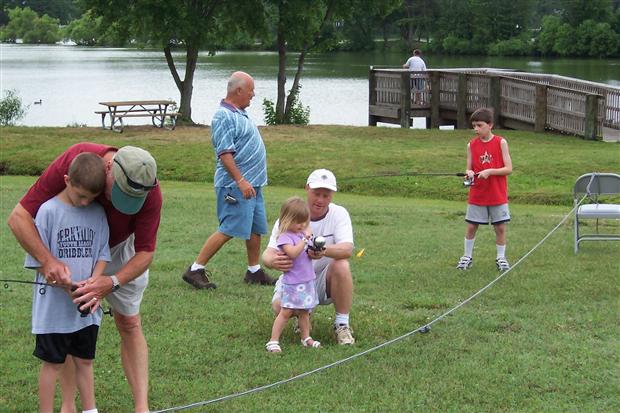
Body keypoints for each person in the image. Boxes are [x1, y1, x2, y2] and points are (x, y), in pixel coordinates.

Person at [8, 143, 162, 413]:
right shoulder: (78, 161)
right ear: (108, 169)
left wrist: (110, 281)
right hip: (73, 249)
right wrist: (49, 262)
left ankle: (142, 408)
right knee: (69, 323)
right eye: (118, 193)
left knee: (129, 322)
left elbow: (146, 252)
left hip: (119, 249)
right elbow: (19, 217)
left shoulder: (149, 188)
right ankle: (68, 405)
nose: (119, 204)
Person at [25, 153, 110, 413]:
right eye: (80, 195)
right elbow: (36, 259)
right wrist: (60, 279)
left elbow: (103, 254)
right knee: (53, 364)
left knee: (85, 361)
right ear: (66, 180)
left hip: (87, 309)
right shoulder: (48, 211)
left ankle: (89, 409)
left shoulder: (97, 213)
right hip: (53, 311)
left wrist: (94, 283)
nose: (85, 202)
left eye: (91, 198)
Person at [181, 71, 274, 289]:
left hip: (253, 184)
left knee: (254, 227)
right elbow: (225, 153)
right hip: (235, 185)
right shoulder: (223, 116)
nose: (253, 95)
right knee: (230, 227)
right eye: (251, 90)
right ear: (238, 90)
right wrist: (240, 180)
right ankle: (195, 269)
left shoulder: (239, 113)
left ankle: (254, 271)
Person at [263, 169, 356, 345]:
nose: (320, 200)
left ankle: (342, 324)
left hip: (321, 279)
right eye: (316, 194)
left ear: (333, 195)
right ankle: (303, 318)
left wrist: (323, 251)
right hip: (294, 279)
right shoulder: (290, 217)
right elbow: (268, 253)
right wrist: (272, 261)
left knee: (342, 265)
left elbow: (347, 249)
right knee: (278, 307)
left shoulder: (339, 214)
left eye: (326, 195)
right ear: (307, 189)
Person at [456, 107, 513, 272]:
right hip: (478, 194)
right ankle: (467, 257)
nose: (476, 129)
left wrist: (490, 172)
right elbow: (468, 170)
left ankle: (501, 258)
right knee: (472, 226)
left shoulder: (501, 142)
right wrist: (469, 173)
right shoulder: (471, 145)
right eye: (474, 126)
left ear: (490, 125)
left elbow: (508, 169)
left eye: (479, 125)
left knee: (500, 227)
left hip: (497, 194)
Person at [266, 197, 320, 353]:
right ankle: (273, 341)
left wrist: (314, 248)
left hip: (307, 280)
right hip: (293, 282)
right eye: (298, 222)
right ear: (287, 220)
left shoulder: (300, 235)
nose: (302, 225)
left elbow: (306, 252)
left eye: (305, 221)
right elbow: (294, 253)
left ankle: (306, 337)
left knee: (305, 312)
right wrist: (305, 239)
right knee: (286, 311)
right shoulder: (284, 237)